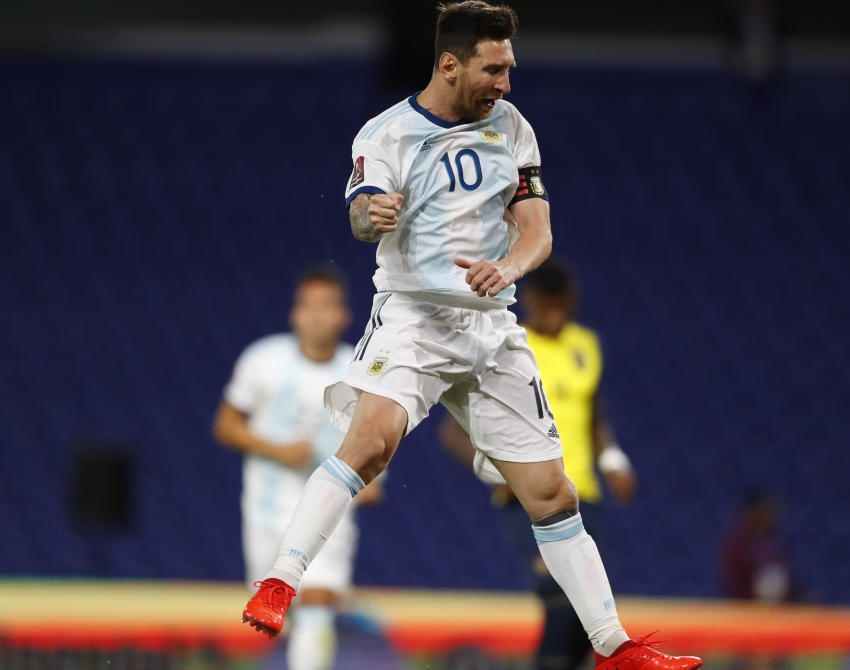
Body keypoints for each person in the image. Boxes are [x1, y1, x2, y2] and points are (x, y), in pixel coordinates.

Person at [241, 3, 701, 669]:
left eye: (509, 68)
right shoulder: (389, 134)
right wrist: (373, 213)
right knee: (371, 445)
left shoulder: (512, 128)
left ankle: (614, 646)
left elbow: (537, 230)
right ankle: (280, 579)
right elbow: (361, 218)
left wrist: (508, 267)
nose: (505, 83)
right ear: (450, 64)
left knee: (553, 492)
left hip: (490, 325)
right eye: (494, 69)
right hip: (414, 318)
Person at [439, 258, 638, 670]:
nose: (555, 315)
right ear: (529, 301)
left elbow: (594, 411)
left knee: (589, 612)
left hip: (584, 494)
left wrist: (613, 457)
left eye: (562, 306)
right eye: (547, 307)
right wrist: (498, 472)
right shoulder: (509, 346)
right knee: (560, 599)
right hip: (529, 499)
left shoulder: (585, 344)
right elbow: (454, 432)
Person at [214, 265, 383, 670]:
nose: (317, 315)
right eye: (308, 306)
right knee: (281, 612)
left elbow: (377, 440)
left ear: (345, 315)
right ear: (294, 313)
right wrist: (277, 450)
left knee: (316, 602)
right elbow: (226, 424)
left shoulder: (363, 371)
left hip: (331, 510)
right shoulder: (262, 360)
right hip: (266, 511)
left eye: (327, 306)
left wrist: (372, 481)